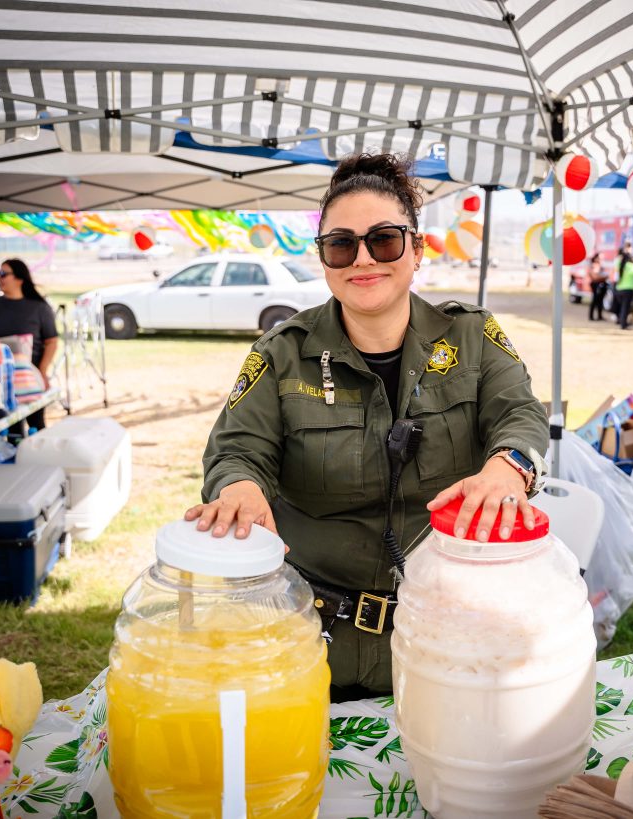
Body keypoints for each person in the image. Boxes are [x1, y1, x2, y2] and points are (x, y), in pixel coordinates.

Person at [186, 153, 548, 699]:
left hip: (448, 636)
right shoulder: (283, 353)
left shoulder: (472, 335)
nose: (362, 259)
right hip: (309, 638)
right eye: (341, 244)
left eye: (383, 240)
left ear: (418, 249)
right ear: (323, 259)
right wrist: (239, 489)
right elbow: (238, 448)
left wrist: (507, 469)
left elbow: (519, 413)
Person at [0, 258, 58, 432]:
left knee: (37, 424)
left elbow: (51, 341)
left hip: (30, 379)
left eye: (4, 274)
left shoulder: (40, 307)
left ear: (20, 279)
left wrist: (43, 371)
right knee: (10, 428)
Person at [614, 248, 633, 330]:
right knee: (625, 307)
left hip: (619, 288)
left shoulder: (619, 263)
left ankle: (619, 320)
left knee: (621, 306)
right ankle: (623, 324)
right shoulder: (632, 266)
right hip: (628, 289)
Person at [587, 255, 608, 321]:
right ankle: (591, 316)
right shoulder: (594, 266)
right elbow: (595, 277)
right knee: (594, 301)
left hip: (601, 285)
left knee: (600, 301)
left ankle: (599, 316)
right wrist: (602, 277)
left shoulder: (599, 266)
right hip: (596, 285)